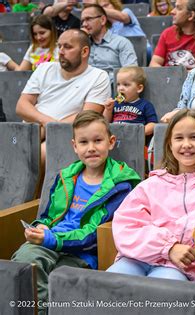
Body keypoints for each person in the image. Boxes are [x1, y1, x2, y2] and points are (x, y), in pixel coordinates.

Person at [11, 110, 141, 315]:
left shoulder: (121, 185)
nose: (91, 148)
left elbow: (93, 235)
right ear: (75, 146)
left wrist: (50, 238)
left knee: (61, 277)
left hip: (84, 251)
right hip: (51, 240)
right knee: (25, 259)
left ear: (111, 141)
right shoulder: (66, 176)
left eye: (98, 140)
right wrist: (40, 227)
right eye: (84, 142)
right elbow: (48, 216)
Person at [107, 108, 195, 281]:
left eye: (194, 137)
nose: (186, 144)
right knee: (113, 282)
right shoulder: (151, 185)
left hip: (182, 267)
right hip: (138, 259)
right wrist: (169, 247)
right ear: (170, 144)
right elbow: (125, 226)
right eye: (179, 138)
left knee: (166, 288)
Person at [16, 29, 111, 165]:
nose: (60, 51)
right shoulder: (44, 69)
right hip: (33, 132)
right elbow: (21, 106)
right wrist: (46, 124)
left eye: (67, 47)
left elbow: (87, 115)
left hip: (67, 135)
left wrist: (49, 129)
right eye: (59, 46)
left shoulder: (98, 76)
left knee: (39, 155)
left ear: (84, 52)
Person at [81, 4, 138, 80]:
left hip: (112, 87)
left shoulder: (121, 43)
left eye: (88, 19)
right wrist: (80, 39)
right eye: (82, 21)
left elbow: (132, 73)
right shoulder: (82, 45)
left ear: (103, 20)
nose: (84, 24)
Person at [103, 66, 158, 142]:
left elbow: (153, 124)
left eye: (126, 85)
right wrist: (108, 110)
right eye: (118, 84)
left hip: (134, 140)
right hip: (115, 138)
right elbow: (105, 123)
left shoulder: (145, 105)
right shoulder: (115, 104)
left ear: (139, 88)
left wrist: (137, 133)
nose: (120, 88)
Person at [149, 0, 195, 69]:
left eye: (178, 8)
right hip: (168, 78)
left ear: (191, 15)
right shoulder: (167, 33)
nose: (172, 12)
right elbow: (154, 64)